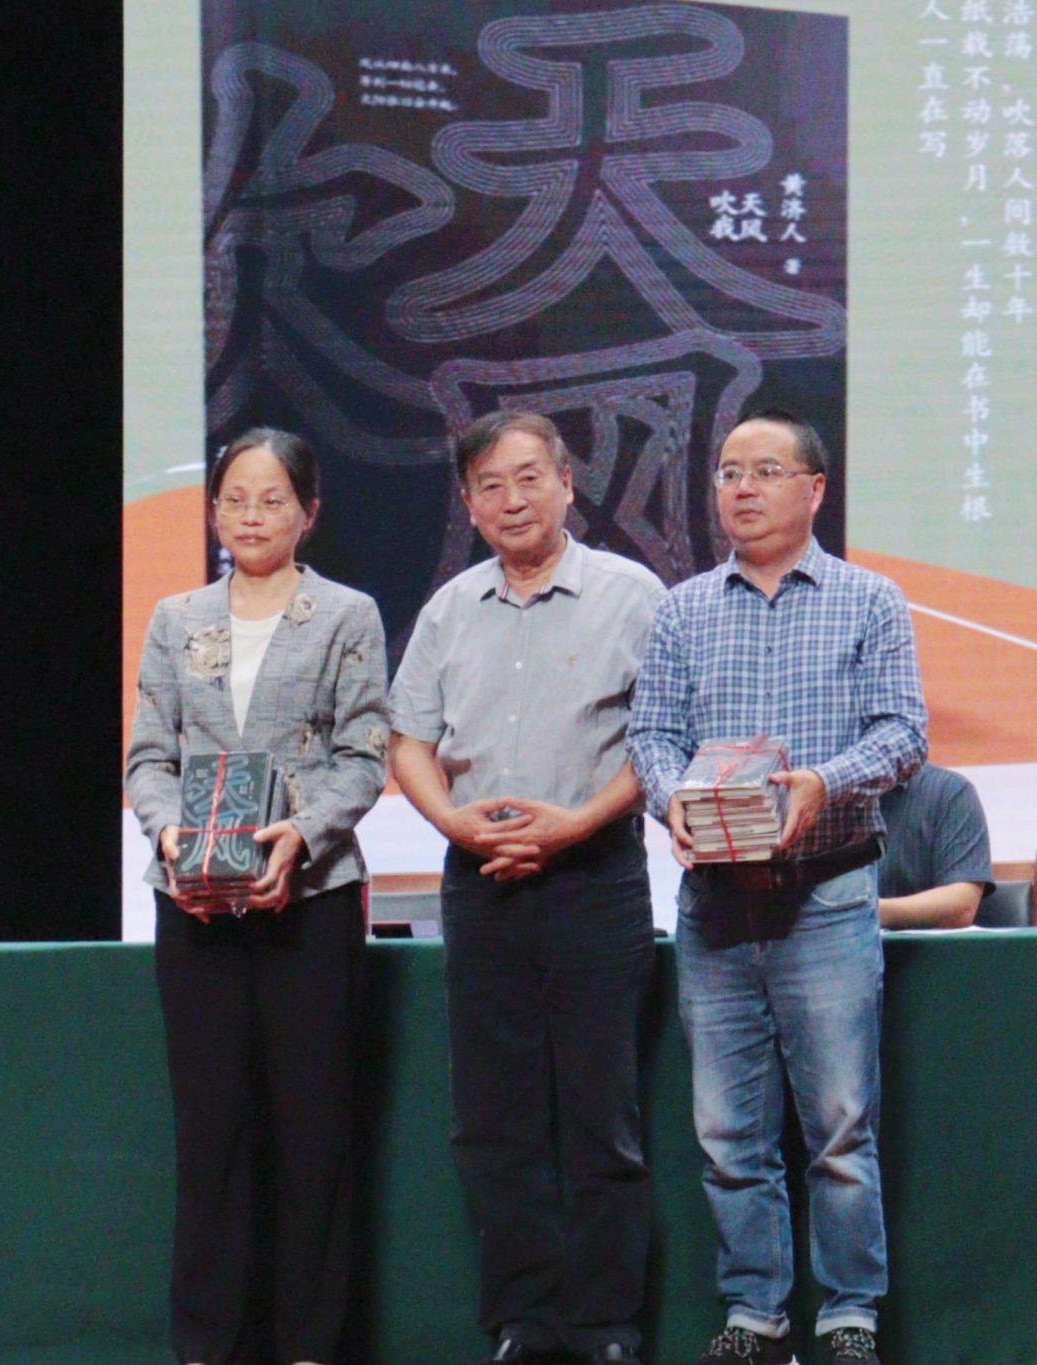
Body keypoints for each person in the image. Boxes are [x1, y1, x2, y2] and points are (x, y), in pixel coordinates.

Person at [628, 409, 927, 1365]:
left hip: (826, 893)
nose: (742, 488)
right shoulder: (682, 609)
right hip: (715, 903)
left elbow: (903, 732)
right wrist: (672, 800)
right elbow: (650, 735)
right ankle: (754, 1312)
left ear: (815, 488)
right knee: (727, 1132)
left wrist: (821, 784)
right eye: (727, 472)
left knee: (839, 1126)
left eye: (765, 470)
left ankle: (849, 1313)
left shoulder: (869, 600)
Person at [387, 411, 666, 1365]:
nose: (512, 501)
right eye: (490, 486)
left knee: (600, 1114)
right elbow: (409, 741)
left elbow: (661, 741)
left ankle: (607, 1323)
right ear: (469, 504)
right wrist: (455, 824)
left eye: (528, 478)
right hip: (480, 884)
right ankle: (524, 1319)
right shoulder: (448, 609)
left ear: (566, 484)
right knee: (492, 1120)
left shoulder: (633, 596)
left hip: (596, 877)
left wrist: (575, 824)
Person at [125, 428, 389, 1365]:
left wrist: (300, 836)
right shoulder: (175, 617)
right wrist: (170, 837)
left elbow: (364, 754)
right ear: (212, 512)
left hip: (308, 903)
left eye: (273, 499)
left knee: (314, 1134)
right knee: (211, 1135)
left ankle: (309, 1345)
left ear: (307, 512)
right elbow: (147, 757)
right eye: (235, 498)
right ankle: (207, 1344)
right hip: (194, 907)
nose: (251, 515)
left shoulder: (348, 615)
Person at [875, 763, 996, 930]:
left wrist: (864, 912)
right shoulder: (837, 796)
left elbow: (962, 905)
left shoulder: (948, 791)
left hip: (917, 944)